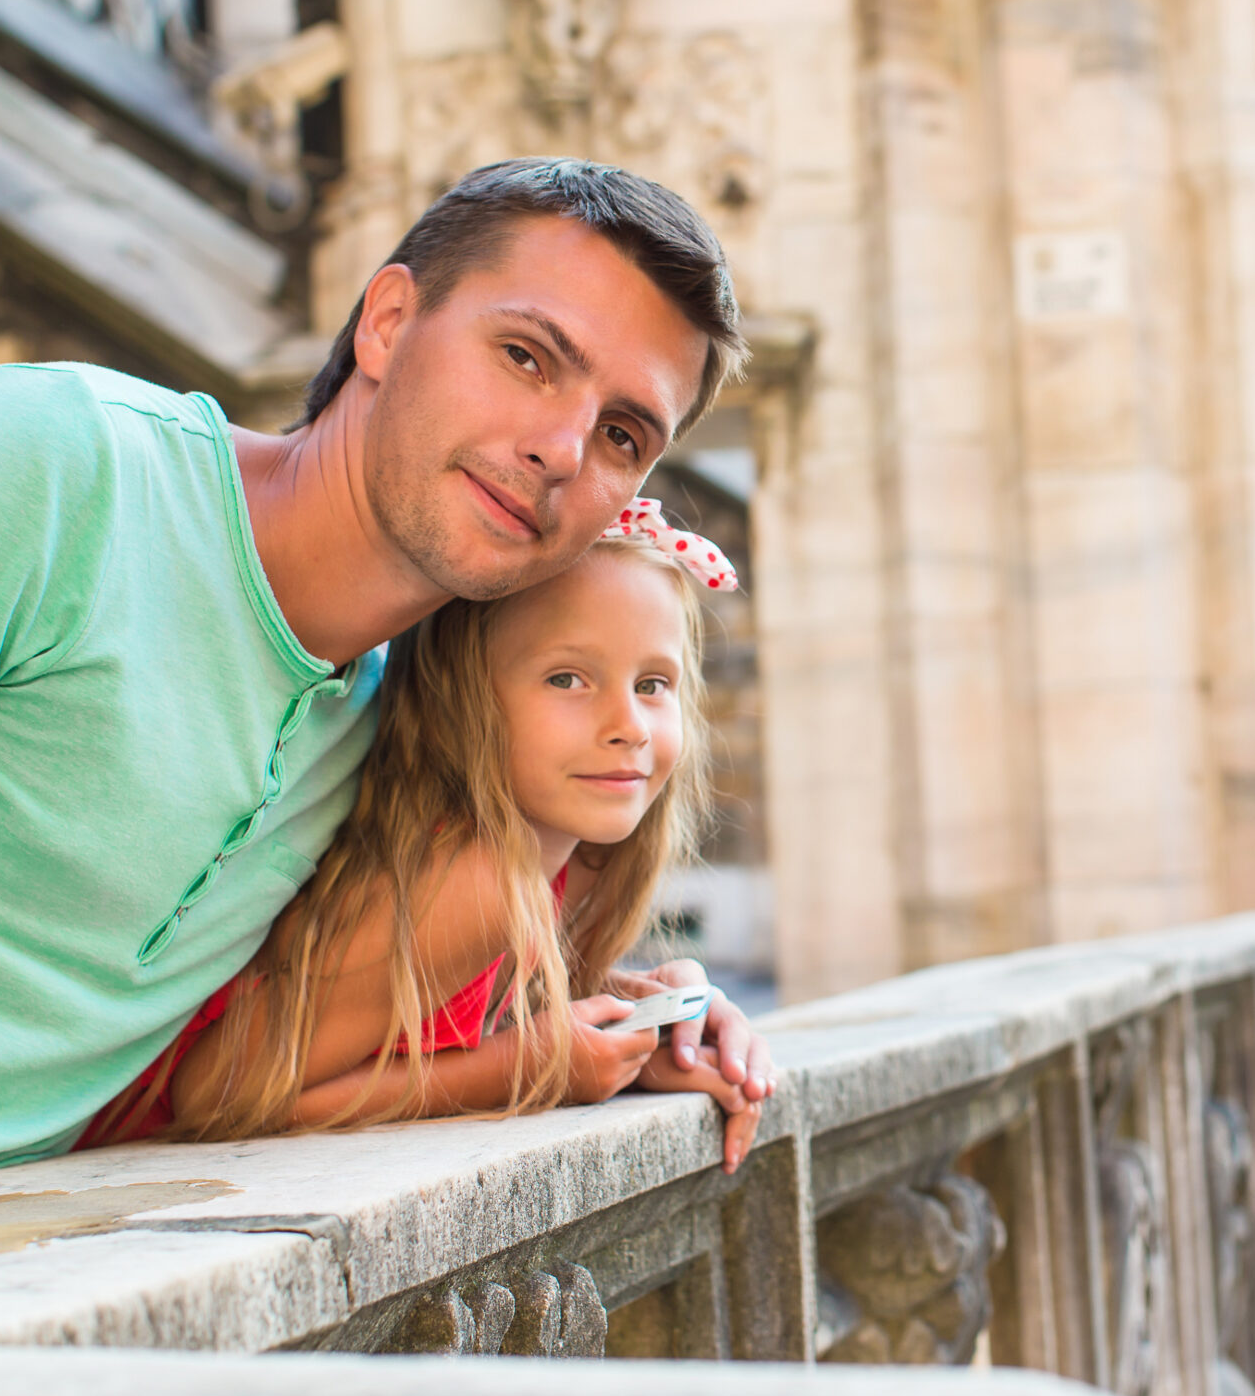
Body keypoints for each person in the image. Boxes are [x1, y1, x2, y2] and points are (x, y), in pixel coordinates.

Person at [0, 158, 765, 1255]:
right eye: (525, 356)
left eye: (623, 434)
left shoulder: (411, 707)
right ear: (385, 325)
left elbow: (310, 1014)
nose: (560, 448)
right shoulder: (55, 474)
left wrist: (638, 1010)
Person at [79, 501, 765, 1173]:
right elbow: (217, 1087)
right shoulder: (475, 880)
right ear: (463, 694)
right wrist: (527, 1068)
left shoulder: (573, 852)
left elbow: (459, 1012)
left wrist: (648, 1012)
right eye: (567, 678)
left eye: (653, 683)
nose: (630, 725)